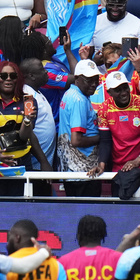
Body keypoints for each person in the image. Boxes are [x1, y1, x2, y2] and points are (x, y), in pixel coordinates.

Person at [0, 61, 47, 197]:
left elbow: (25, 136)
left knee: (20, 211)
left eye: (13, 76)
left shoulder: (28, 102)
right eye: (3, 76)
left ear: (19, 79)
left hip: (20, 166)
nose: (8, 79)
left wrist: (27, 120)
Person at [92, 71, 140, 198]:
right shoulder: (104, 109)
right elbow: (105, 141)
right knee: (120, 207)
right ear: (109, 92)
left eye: (125, 88)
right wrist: (102, 164)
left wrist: (139, 159)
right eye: (118, 90)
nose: (124, 92)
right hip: (120, 168)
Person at [57, 60, 101, 196]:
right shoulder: (79, 100)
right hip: (83, 172)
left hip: (74, 170)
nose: (94, 84)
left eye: (96, 79)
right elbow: (76, 140)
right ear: (77, 79)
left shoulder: (71, 93)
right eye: (89, 80)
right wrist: (103, 137)